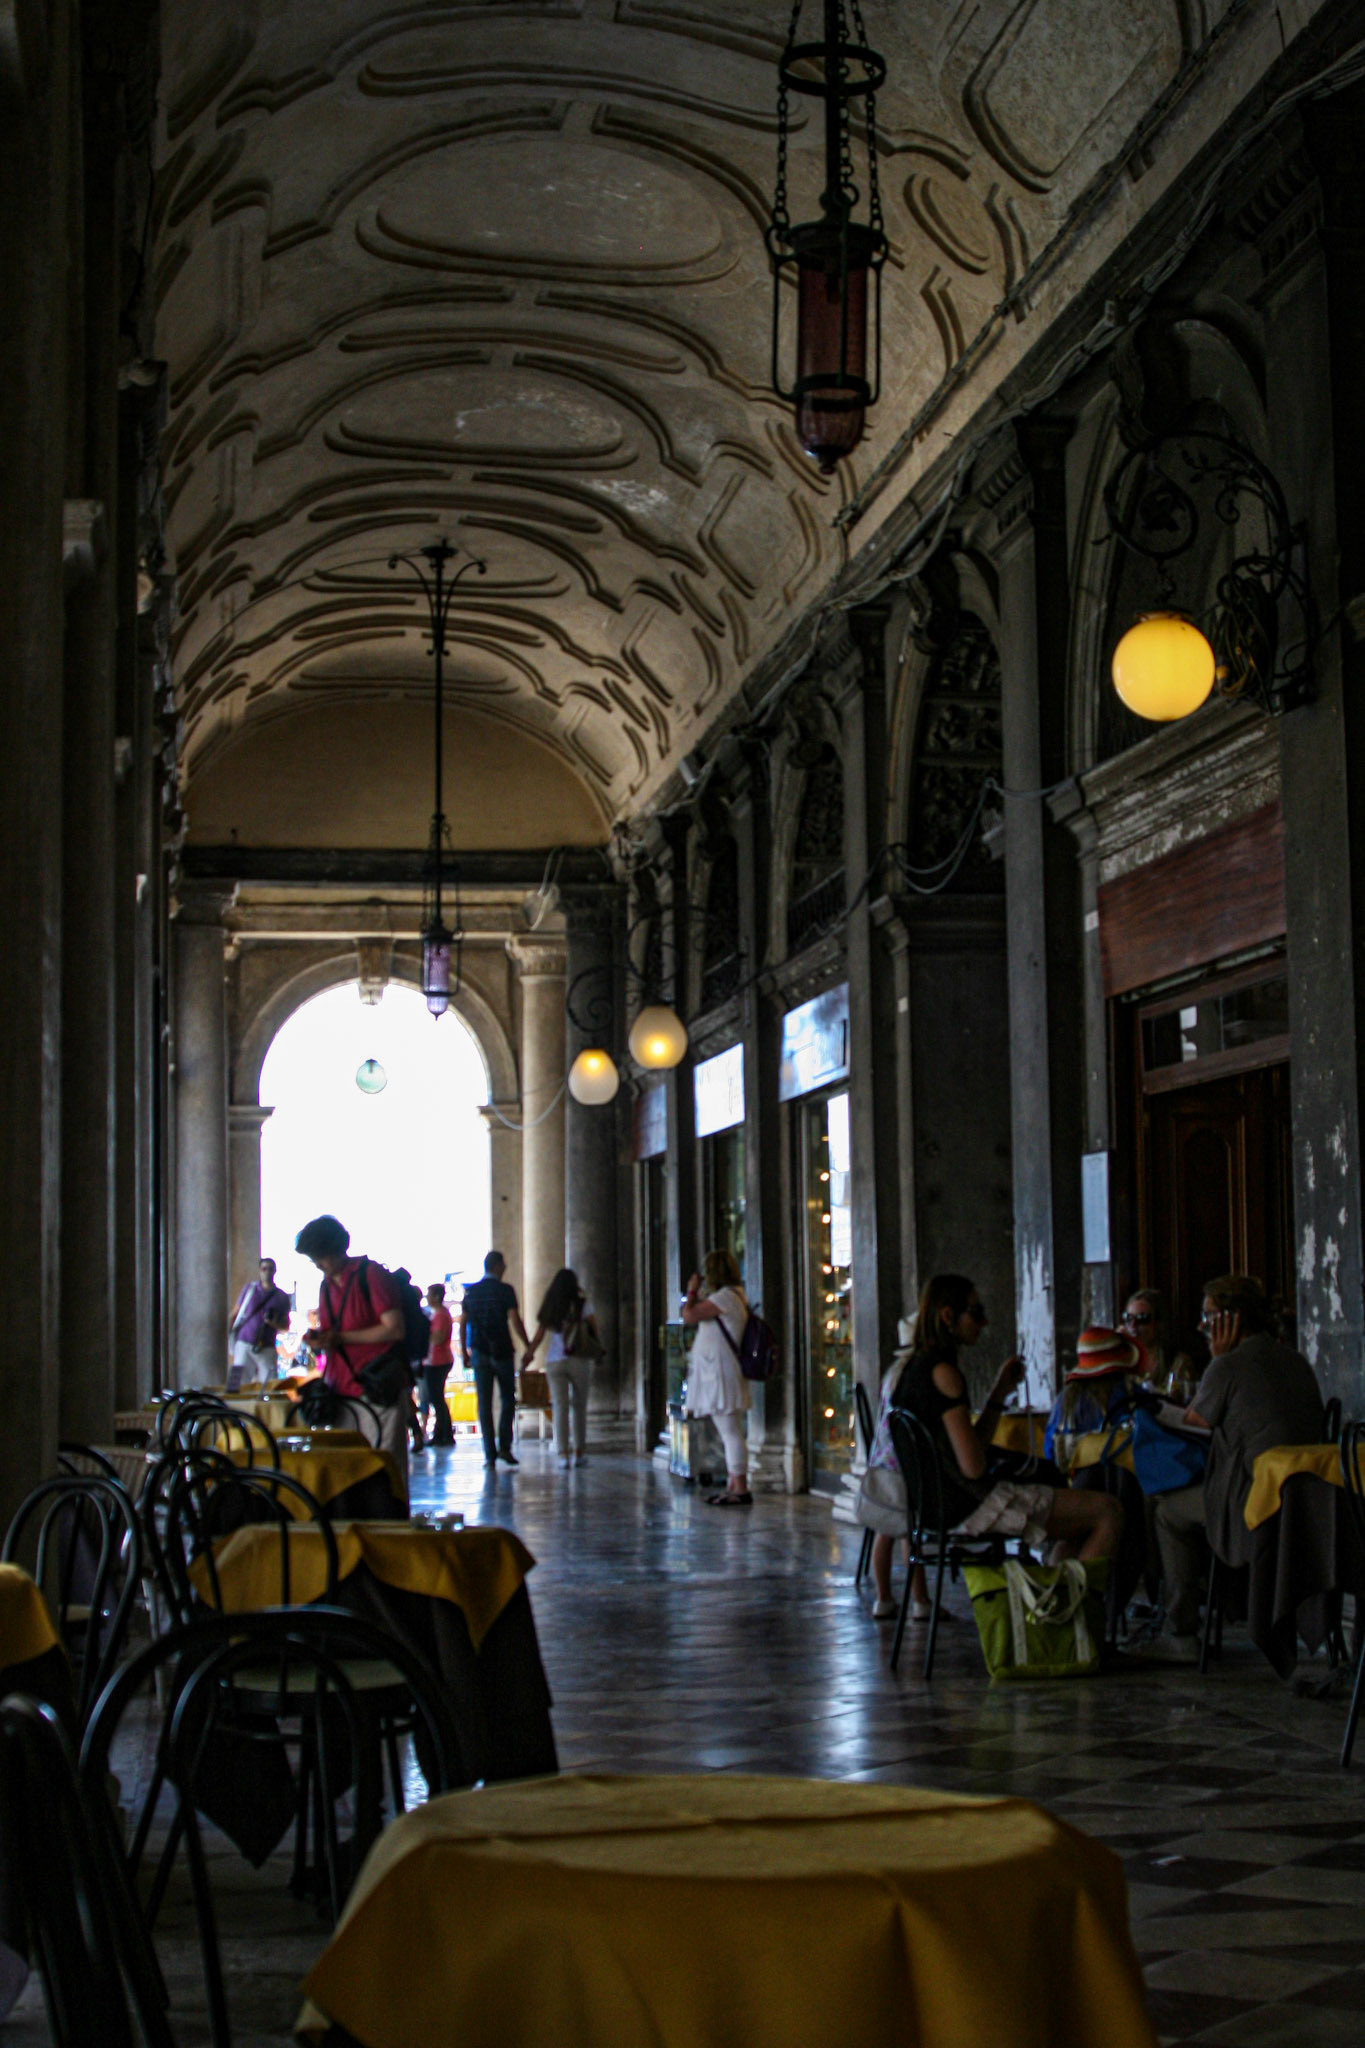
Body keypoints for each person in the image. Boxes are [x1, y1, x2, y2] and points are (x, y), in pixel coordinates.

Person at [873, 1274, 1121, 1606]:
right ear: (948, 1316)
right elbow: (974, 1467)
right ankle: (1071, 1619)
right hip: (968, 1507)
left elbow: (969, 1448)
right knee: (1108, 1511)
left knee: (1074, 1524)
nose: (984, 1322)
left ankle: (1055, 1606)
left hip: (932, 1510)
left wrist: (998, 1394)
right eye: (975, 1313)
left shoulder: (908, 1371)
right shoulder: (943, 1373)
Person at [1149, 1273, 1324, 1660]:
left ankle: (1181, 1634)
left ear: (1230, 1320)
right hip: (1311, 1504)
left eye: (1207, 1315)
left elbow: (1195, 1421)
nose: (1201, 1325)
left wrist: (1217, 1360)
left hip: (1257, 1505)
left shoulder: (1227, 1365)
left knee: (1166, 1511)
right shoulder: (1295, 1358)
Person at [294, 1214, 411, 1472]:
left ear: (335, 1250)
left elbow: (395, 1330)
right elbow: (332, 1332)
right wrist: (319, 1339)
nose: (317, 1264)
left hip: (377, 1390)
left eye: (320, 1256)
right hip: (341, 1393)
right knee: (350, 1474)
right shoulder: (325, 1287)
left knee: (382, 1470)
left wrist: (341, 1338)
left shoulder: (371, 1276)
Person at [681, 1249, 751, 1506]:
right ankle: (734, 1483)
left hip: (721, 1373)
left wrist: (691, 1290)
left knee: (730, 1430)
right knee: (728, 1429)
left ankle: (740, 1486)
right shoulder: (730, 1297)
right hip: (719, 1371)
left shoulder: (726, 1298)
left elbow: (688, 1315)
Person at [523, 1267, 600, 1469]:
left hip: (555, 1361)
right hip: (578, 1359)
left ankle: (563, 1454)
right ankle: (579, 1452)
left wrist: (528, 1354)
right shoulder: (582, 1303)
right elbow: (594, 1327)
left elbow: (539, 1335)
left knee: (560, 1407)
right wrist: (598, 1347)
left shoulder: (551, 1305)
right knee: (579, 1407)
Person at [460, 1251, 531, 1469]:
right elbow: (514, 1320)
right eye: (504, 1265)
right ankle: (505, 1448)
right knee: (508, 1399)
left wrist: (464, 1352)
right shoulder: (505, 1291)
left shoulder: (471, 1292)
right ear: (498, 1266)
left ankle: (489, 1454)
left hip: (480, 1351)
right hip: (502, 1351)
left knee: (484, 1404)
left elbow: (463, 1324)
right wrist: (528, 1345)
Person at [1042, 1326, 1148, 1463]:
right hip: (1123, 1478)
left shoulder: (1065, 1398)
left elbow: (1049, 1450)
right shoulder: (1128, 1391)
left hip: (1075, 1480)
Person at [1120, 1288, 1197, 1403]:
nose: (1133, 1326)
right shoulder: (1123, 1360)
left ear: (1159, 1323)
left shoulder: (1179, 1363)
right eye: (1129, 1318)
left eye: (1142, 1319)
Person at [227, 1257, 291, 1390]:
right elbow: (235, 1313)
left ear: (275, 1271)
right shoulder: (249, 1290)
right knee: (235, 1386)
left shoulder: (282, 1297)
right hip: (244, 1343)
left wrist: (274, 1323)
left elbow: (286, 1326)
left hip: (266, 1347)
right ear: (259, 1271)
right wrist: (229, 1334)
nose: (267, 1272)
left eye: (270, 1269)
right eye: (264, 1268)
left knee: (269, 1386)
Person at [418, 1283, 456, 1448]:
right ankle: (441, 1433)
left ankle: (444, 1433)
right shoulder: (439, 1314)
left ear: (436, 1297)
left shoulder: (440, 1315)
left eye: (429, 1294)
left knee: (436, 1398)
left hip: (437, 1361)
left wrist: (423, 1337)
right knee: (437, 1398)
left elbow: (438, 1338)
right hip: (437, 1360)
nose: (427, 1298)